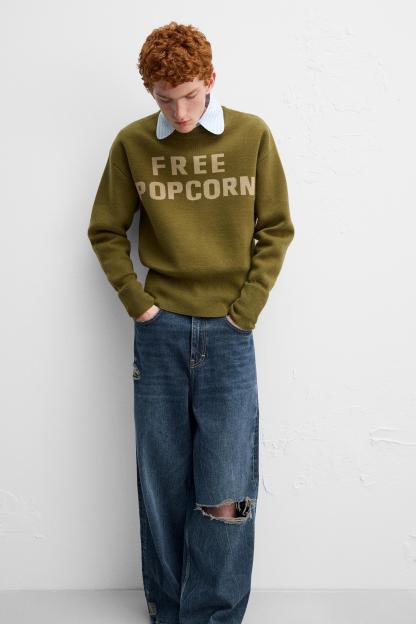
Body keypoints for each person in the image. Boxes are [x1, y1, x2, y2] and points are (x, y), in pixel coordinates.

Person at [87, 20, 295, 624]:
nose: (179, 113)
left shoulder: (251, 136)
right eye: (164, 99)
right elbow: (105, 230)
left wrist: (245, 311)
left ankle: (214, 615)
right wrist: (139, 304)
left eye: (190, 96)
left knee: (226, 487)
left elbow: (276, 228)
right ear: (150, 91)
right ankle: (169, 611)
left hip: (229, 334)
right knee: (162, 479)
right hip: (160, 332)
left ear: (210, 79)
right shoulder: (133, 144)